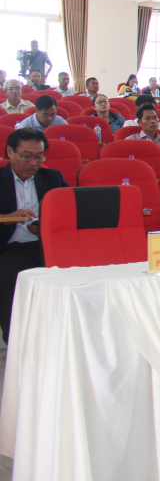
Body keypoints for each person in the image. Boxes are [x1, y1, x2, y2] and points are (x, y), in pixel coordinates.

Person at [0, 128, 68, 341]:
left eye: (39, 157)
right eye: (27, 156)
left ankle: (62, 337)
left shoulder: (53, 177)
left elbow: (71, 209)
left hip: (47, 246)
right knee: (10, 275)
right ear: (10, 152)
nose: (34, 163)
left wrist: (47, 224)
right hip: (10, 247)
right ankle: (17, 341)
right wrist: (6, 217)